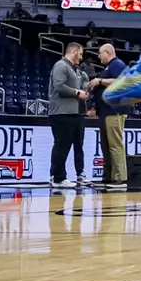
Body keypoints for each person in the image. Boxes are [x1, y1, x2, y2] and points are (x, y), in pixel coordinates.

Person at [49, 42, 90, 186]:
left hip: (73, 112)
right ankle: (57, 177)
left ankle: (64, 176)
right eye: (80, 53)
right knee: (62, 144)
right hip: (61, 112)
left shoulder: (76, 70)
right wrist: (77, 92)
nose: (81, 56)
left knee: (68, 144)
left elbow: (83, 84)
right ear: (73, 51)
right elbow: (59, 86)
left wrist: (82, 89)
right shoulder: (61, 66)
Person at [89, 44, 129, 191]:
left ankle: (120, 179)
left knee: (115, 145)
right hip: (105, 112)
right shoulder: (108, 68)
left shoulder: (117, 64)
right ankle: (108, 177)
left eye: (100, 53)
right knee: (105, 146)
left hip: (115, 111)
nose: (98, 56)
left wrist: (100, 81)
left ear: (108, 53)